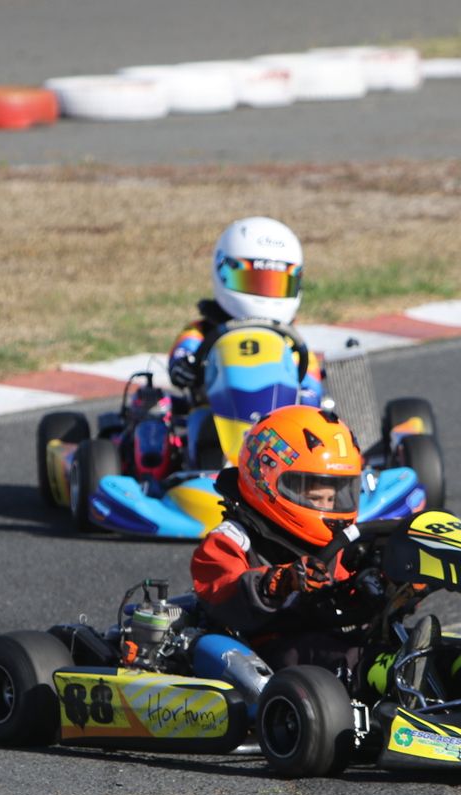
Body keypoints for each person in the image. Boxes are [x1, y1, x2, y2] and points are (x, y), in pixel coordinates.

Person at [190, 404, 371, 673]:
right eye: (315, 496)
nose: (328, 506)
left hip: (328, 640)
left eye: (333, 497)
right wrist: (280, 582)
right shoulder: (230, 540)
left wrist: (388, 583)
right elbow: (223, 594)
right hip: (263, 653)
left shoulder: (339, 545)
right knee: (337, 654)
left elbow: (350, 593)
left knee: (387, 640)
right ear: (268, 479)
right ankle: (380, 673)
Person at [167, 216, 312, 397]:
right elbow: (183, 350)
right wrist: (182, 365)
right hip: (215, 414)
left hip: (277, 419)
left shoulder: (290, 340)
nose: (264, 294)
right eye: (252, 282)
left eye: (276, 284)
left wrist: (308, 393)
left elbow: (311, 379)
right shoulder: (203, 331)